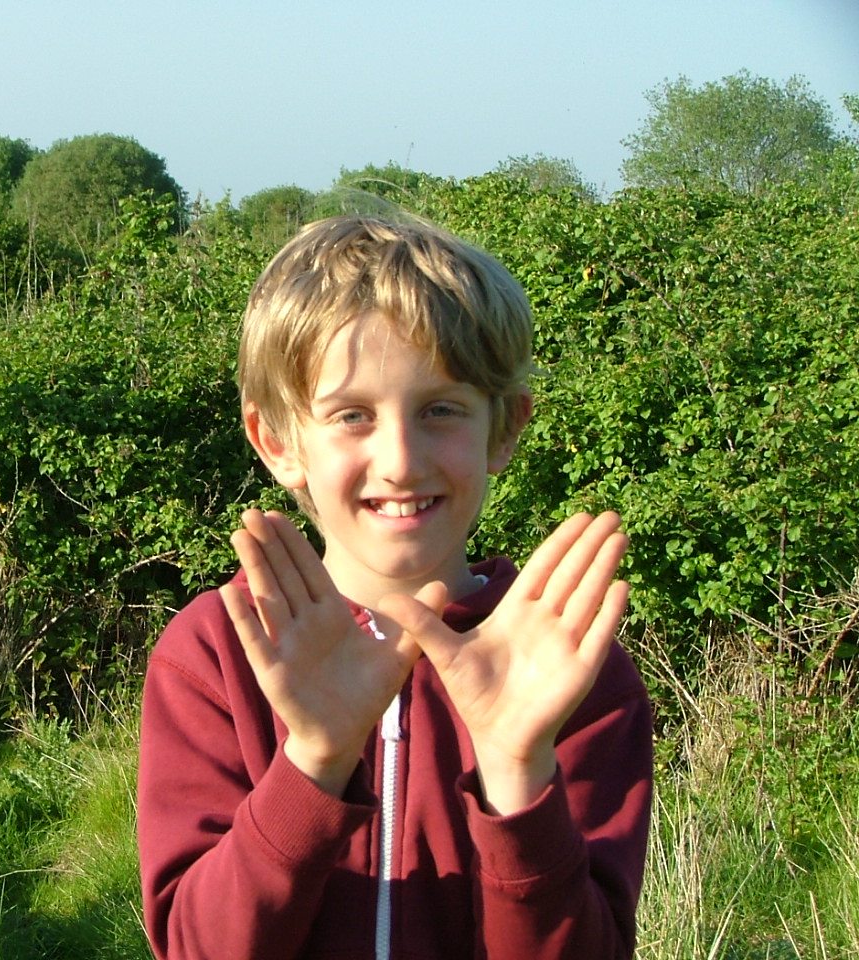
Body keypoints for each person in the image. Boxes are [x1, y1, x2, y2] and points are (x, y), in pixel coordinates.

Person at [136, 215, 652, 960]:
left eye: (441, 409)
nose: (401, 461)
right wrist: (313, 759)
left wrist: (517, 772)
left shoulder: (570, 668)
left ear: (504, 428)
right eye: (352, 416)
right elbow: (197, 947)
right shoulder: (217, 652)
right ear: (278, 442)